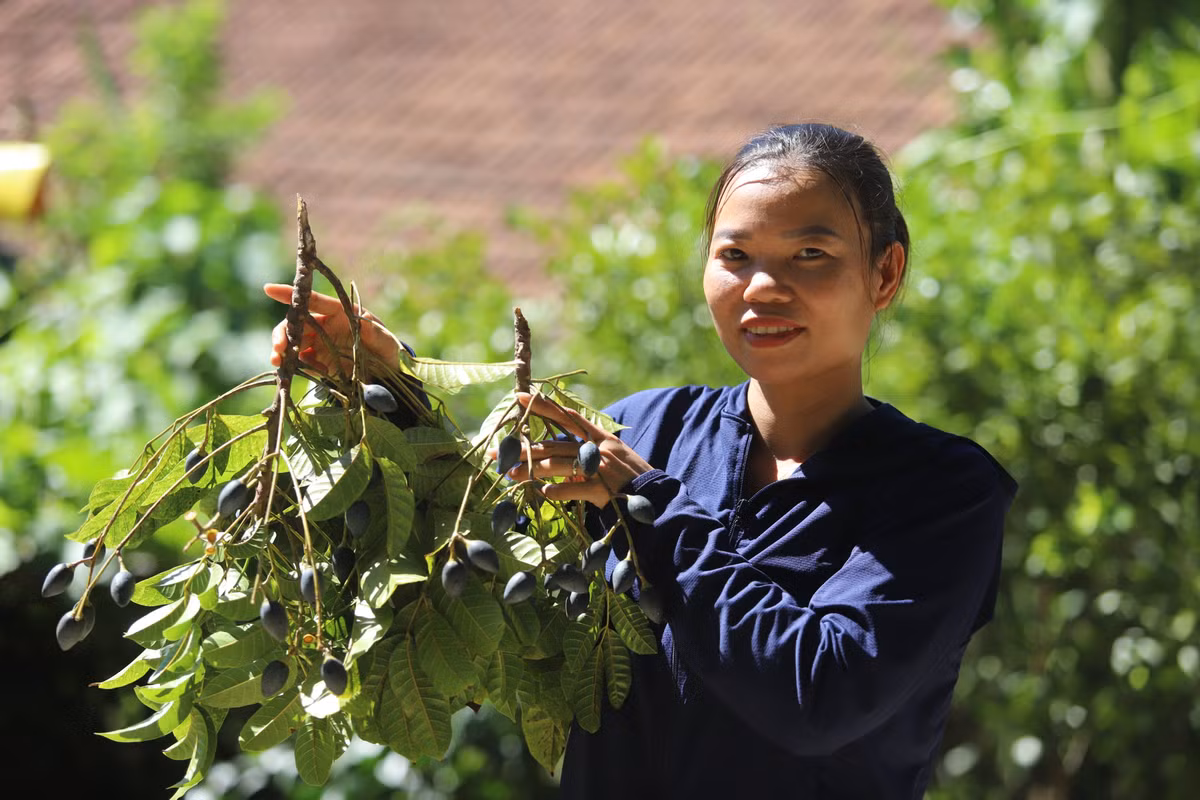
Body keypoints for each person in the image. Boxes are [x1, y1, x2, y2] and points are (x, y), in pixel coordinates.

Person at [267, 122, 1017, 799]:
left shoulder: (943, 492)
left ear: (884, 275)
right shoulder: (644, 428)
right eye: (735, 256)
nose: (762, 287)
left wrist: (650, 505)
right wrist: (383, 392)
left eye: (810, 255)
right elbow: (473, 553)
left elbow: (816, 694)